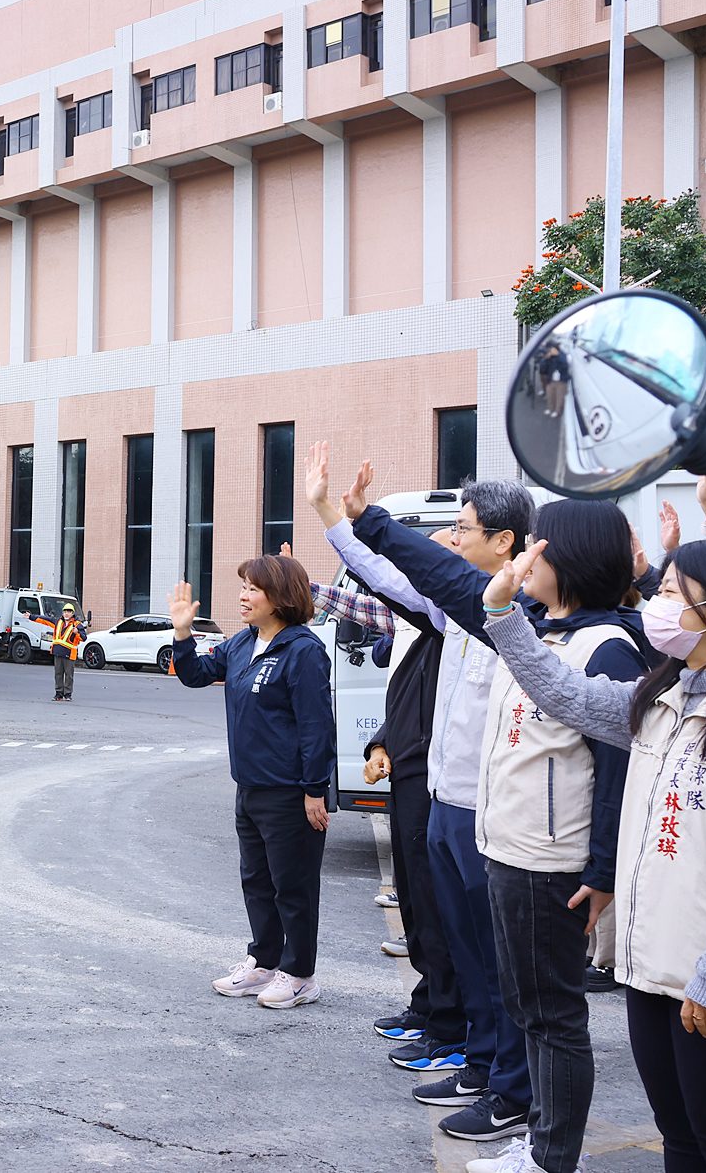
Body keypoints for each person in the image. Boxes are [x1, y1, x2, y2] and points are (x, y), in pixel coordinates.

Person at [350, 479, 648, 1173]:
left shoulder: (605, 648)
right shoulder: (537, 630)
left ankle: (547, 1153)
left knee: (551, 1018)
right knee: (526, 1005)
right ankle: (536, 1137)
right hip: (508, 850)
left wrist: (600, 872)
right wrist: (364, 521)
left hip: (554, 863)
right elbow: (447, 577)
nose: (528, 556)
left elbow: (613, 773)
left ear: (569, 557)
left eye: (542, 543)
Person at [318, 460, 538, 1141]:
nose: (450, 535)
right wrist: (337, 519)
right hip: (445, 796)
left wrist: (364, 521)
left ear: (502, 541)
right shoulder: (454, 611)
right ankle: (479, 1056)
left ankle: (507, 1076)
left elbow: (416, 570)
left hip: (484, 807)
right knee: (466, 944)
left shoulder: (510, 616)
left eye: (463, 527)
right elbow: (392, 578)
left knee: (494, 955)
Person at [480, 537, 706, 1173]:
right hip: (647, 965)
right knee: (680, 1135)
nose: (655, 607)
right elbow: (566, 694)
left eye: (670, 593)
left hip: (699, 975)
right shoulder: (660, 698)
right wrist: (502, 615)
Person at [299, 446, 470, 1089]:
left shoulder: (475, 618)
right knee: (420, 904)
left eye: (459, 531)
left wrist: (342, 520)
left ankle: (453, 1029)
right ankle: (433, 1010)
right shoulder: (434, 621)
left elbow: (385, 579)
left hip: (451, 791)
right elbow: (371, 591)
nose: (446, 542)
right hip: (417, 779)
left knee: (441, 908)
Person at [171, 555, 334, 1010]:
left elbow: (316, 726)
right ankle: (263, 960)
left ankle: (300, 973)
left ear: (279, 596)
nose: (242, 596)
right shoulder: (243, 644)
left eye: (252, 589)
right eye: (242, 586)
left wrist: (314, 789)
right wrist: (183, 633)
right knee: (257, 881)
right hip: (250, 787)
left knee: (293, 886)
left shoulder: (303, 650)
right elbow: (195, 675)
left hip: (290, 792)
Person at [39, 602, 86, 702]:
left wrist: (77, 632)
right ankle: (58, 694)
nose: (66, 613)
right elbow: (44, 620)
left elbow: (84, 638)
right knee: (58, 674)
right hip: (58, 652)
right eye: (65, 611)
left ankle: (67, 694)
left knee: (69, 675)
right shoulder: (57, 622)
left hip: (69, 654)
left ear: (72, 613)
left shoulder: (77, 625)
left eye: (69, 612)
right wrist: (30, 616)